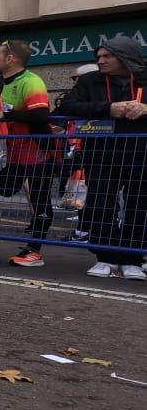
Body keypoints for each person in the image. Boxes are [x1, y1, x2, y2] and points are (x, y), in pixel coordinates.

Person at [59, 38, 147, 280]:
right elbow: (67, 106)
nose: (101, 60)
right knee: (100, 204)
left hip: (141, 153)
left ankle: (132, 259)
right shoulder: (90, 80)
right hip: (102, 153)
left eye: (107, 56)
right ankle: (106, 257)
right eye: (99, 56)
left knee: (139, 207)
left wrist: (145, 108)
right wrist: (107, 108)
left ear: (125, 57)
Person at [0, 40, 58, 268]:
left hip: (37, 149)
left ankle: (34, 251)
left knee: (40, 199)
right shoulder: (5, 83)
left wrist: (6, 115)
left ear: (10, 59)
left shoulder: (31, 81)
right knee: (5, 188)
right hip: (15, 150)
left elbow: (40, 116)